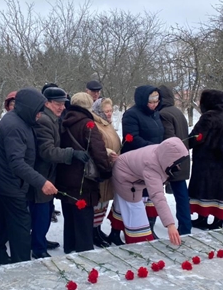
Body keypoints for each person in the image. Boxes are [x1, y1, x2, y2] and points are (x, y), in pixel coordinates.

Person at [0, 88, 58, 266]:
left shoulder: (20, 119)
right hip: (12, 185)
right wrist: (41, 182)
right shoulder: (14, 127)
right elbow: (17, 163)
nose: (40, 115)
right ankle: (23, 265)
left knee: (2, 223)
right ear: (28, 108)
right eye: (38, 111)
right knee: (21, 227)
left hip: (6, 183)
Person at [30, 87, 90, 259]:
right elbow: (47, 151)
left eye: (64, 103)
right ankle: (38, 247)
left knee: (47, 210)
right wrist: (72, 153)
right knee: (41, 212)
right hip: (41, 174)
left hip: (49, 174)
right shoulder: (44, 121)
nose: (62, 107)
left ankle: (40, 239)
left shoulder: (53, 119)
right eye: (58, 104)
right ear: (47, 103)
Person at [56, 92, 113, 254]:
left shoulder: (63, 122)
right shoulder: (88, 124)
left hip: (64, 177)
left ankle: (69, 248)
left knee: (69, 217)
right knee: (84, 221)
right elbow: (98, 151)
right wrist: (106, 171)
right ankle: (84, 252)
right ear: (89, 107)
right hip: (83, 179)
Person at [112, 137, 186, 246]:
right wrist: (170, 225)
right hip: (125, 178)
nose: (178, 167)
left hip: (128, 172)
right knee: (136, 213)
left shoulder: (160, 153)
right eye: (177, 162)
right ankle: (139, 244)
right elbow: (157, 196)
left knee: (125, 207)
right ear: (169, 158)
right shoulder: (152, 166)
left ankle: (114, 234)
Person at [116, 85, 164, 240]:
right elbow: (133, 138)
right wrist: (154, 149)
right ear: (143, 99)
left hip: (154, 162)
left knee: (151, 194)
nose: (154, 103)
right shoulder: (131, 115)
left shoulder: (155, 114)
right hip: (137, 163)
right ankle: (120, 230)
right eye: (151, 100)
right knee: (136, 197)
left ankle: (148, 227)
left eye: (157, 99)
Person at [188, 89, 223, 230]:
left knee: (204, 191)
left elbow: (195, 137)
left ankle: (203, 218)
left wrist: (187, 143)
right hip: (222, 162)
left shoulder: (208, 117)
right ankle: (217, 220)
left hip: (206, 162)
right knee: (217, 193)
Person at [158, 85, 192, 235]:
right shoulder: (177, 112)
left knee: (171, 193)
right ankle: (185, 224)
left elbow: (168, 138)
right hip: (182, 158)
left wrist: (167, 162)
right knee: (181, 193)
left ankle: (183, 227)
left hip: (173, 161)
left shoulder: (163, 114)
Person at [91, 97, 121, 247]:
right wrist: (108, 151)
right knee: (98, 201)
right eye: (106, 111)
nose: (109, 114)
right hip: (101, 167)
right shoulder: (96, 125)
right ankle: (93, 231)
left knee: (104, 202)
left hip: (111, 166)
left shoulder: (108, 124)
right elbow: (95, 145)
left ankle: (98, 228)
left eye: (110, 111)